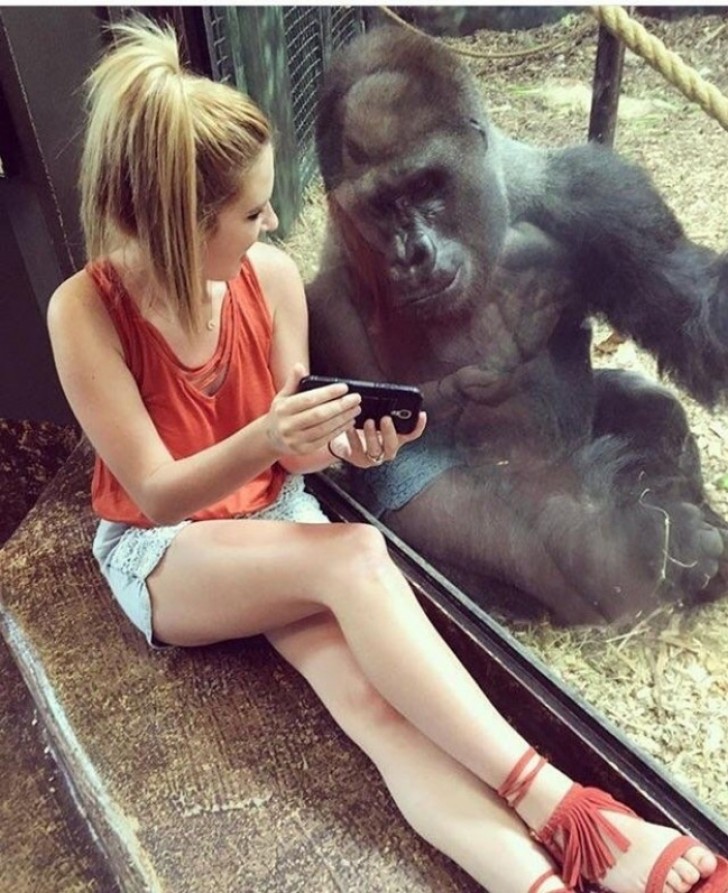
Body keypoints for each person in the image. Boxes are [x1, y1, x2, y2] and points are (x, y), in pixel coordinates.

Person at [47, 16, 727, 893]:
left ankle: (535, 881)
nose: (279, 222)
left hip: (275, 519)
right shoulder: (85, 310)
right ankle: (571, 809)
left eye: (279, 204)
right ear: (186, 222)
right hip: (166, 545)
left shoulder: (277, 280)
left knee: (377, 712)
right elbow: (155, 490)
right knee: (361, 552)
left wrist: (346, 442)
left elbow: (305, 450)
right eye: (255, 212)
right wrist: (278, 440)